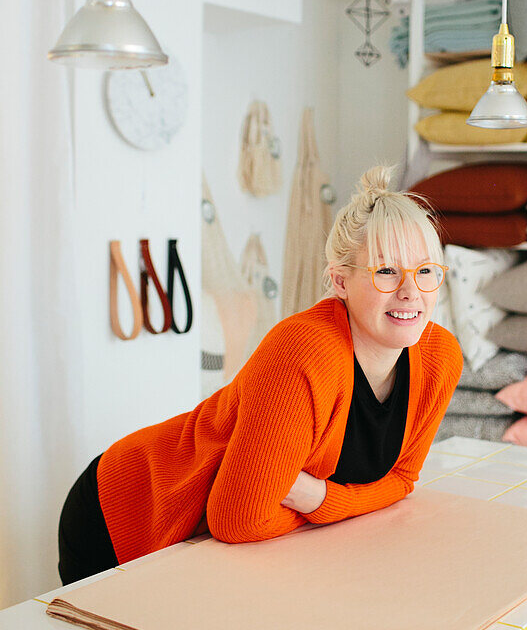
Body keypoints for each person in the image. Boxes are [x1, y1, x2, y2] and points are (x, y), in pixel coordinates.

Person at [57, 165, 462, 585]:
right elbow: (239, 519)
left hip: (214, 548)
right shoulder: (304, 351)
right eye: (386, 271)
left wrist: (315, 496)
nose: (412, 292)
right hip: (129, 510)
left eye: (427, 270)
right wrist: (343, 502)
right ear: (340, 281)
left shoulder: (439, 358)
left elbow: (402, 481)